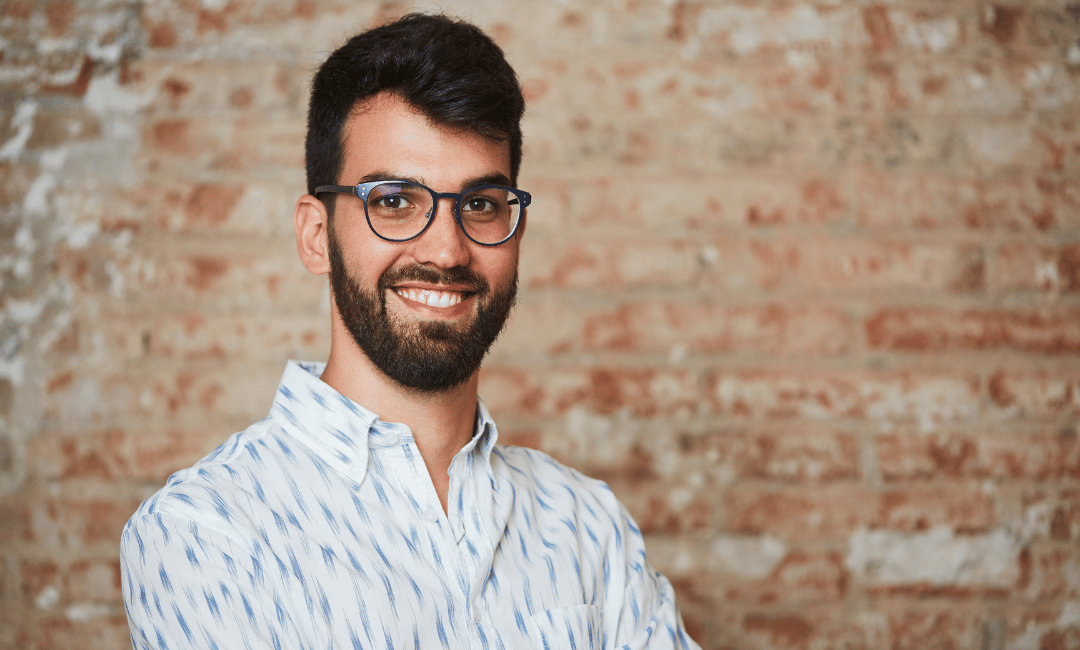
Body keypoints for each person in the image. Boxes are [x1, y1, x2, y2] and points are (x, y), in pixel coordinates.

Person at [120, 13, 700, 650]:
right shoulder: (206, 533)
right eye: (394, 201)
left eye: (480, 204)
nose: (447, 251)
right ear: (317, 236)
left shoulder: (591, 529)